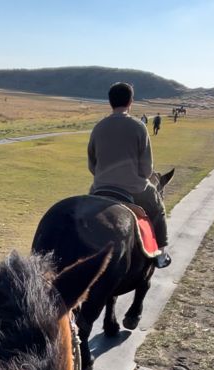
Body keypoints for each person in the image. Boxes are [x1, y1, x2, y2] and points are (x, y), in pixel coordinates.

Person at [87, 82, 171, 268]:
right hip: (134, 188)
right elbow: (146, 169)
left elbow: (92, 165)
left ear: (110, 102)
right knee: (158, 208)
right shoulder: (139, 127)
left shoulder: (98, 127)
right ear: (130, 101)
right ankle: (161, 254)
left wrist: (103, 176)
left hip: (100, 187)